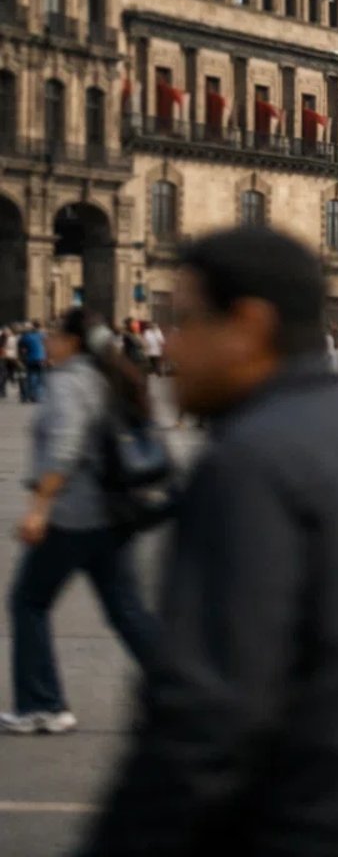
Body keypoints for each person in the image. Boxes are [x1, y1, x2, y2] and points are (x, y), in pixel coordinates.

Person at [79, 226, 338, 857]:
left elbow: (208, 704)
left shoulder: (251, 462)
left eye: (186, 321)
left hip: (311, 825)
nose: (170, 345)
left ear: (250, 325)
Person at [4, 310, 164, 735]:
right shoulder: (104, 377)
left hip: (74, 517)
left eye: (56, 334)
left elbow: (65, 445)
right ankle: (189, 694)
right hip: (109, 515)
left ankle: (43, 704)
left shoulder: (70, 382)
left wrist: (40, 506)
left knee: (28, 602)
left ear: (73, 341)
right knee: (126, 611)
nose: (49, 341)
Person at [18, 319, 46, 404]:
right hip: (41, 358)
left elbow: (21, 346)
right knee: (39, 378)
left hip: (30, 358)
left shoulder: (26, 336)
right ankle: (35, 396)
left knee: (30, 377)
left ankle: (27, 396)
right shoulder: (42, 335)